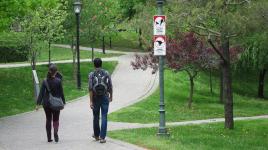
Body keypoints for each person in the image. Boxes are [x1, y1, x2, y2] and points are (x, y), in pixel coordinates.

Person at [36, 64, 65, 143]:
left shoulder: (45, 81)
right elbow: (61, 93)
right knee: (56, 119)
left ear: (49, 71)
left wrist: (38, 104)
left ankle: (49, 138)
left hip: (46, 103)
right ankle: (55, 132)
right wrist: (63, 102)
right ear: (56, 72)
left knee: (48, 119)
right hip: (56, 103)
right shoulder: (58, 81)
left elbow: (41, 93)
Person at [88, 58, 113, 143]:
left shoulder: (91, 74)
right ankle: (102, 137)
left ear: (94, 65)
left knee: (95, 116)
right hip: (105, 97)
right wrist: (111, 96)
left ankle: (96, 135)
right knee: (104, 116)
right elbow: (110, 85)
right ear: (101, 64)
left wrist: (91, 101)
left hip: (95, 98)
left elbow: (90, 89)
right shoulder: (106, 73)